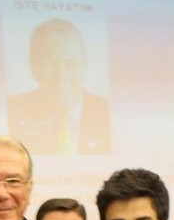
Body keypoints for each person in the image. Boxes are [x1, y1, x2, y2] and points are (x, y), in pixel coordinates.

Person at [7, 18, 110, 155]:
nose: (61, 75)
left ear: (85, 65)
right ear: (33, 67)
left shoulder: (108, 111)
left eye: (70, 63)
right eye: (50, 64)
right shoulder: (11, 110)